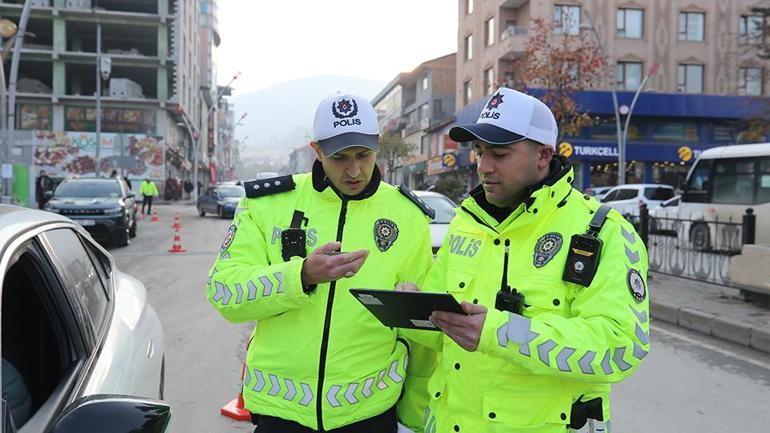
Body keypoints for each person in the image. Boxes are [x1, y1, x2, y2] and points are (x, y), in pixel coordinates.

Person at [398, 88, 650, 433]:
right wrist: (412, 308)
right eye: (479, 151)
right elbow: (442, 333)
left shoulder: (603, 231)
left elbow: (620, 347)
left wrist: (499, 332)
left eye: (500, 154)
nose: (483, 167)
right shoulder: (466, 224)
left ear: (544, 155)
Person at [207, 93, 436, 433]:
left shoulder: (409, 215)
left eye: (363, 155)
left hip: (370, 411)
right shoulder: (267, 204)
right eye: (340, 157)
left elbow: (420, 332)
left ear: (378, 145)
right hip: (282, 412)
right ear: (316, 150)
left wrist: (416, 418)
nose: (354, 169)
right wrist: (300, 276)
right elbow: (225, 293)